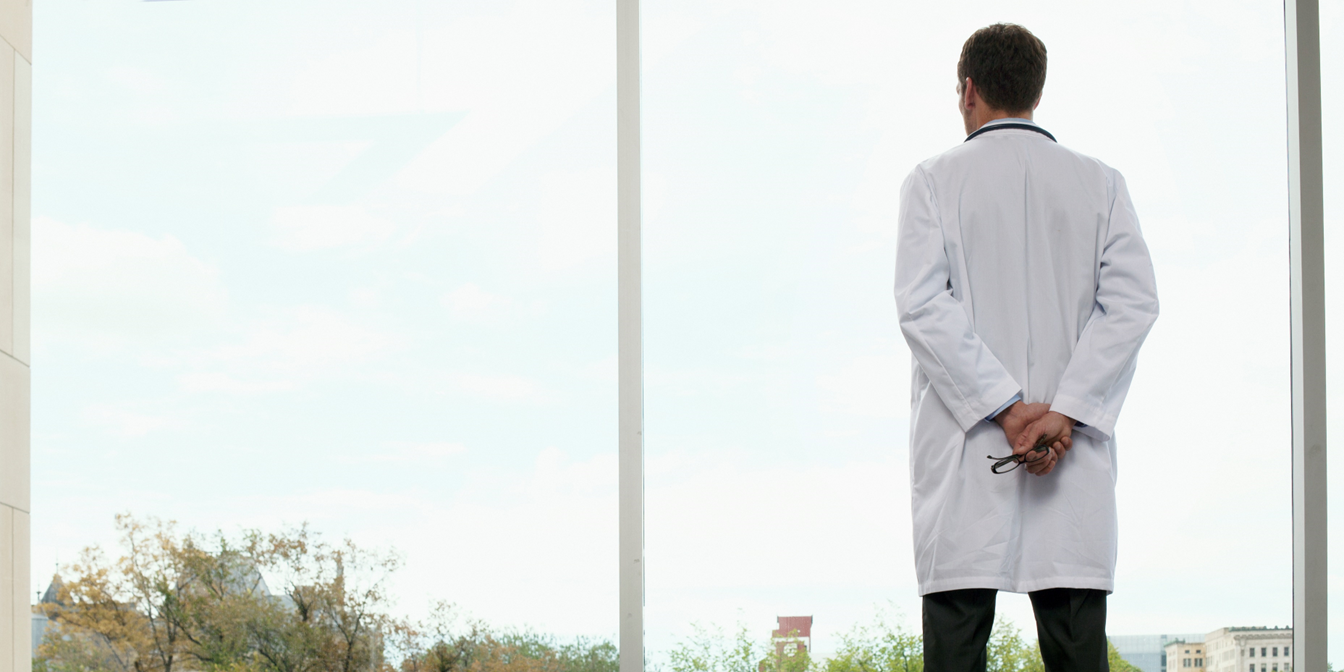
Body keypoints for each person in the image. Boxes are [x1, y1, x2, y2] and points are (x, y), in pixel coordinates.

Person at [893, 23, 1160, 672]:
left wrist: (1007, 410)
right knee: (1076, 651)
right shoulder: (1102, 183)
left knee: (955, 650)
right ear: (1037, 93)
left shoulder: (931, 181)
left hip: (970, 452)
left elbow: (923, 306)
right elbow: (1131, 304)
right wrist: (1061, 414)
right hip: (1066, 454)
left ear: (968, 91)